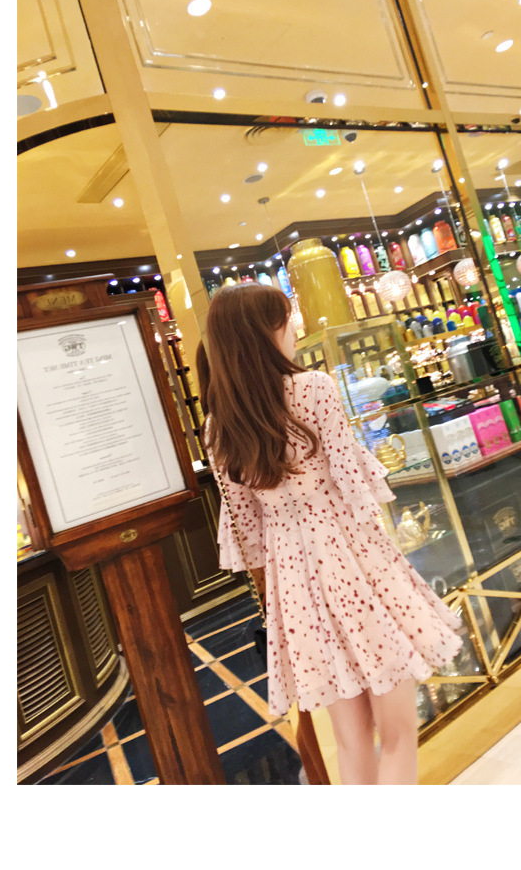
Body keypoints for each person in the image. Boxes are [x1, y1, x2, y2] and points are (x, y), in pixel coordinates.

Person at [196, 283, 463, 785]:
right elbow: (352, 483)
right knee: (398, 732)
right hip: (351, 558)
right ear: (263, 332)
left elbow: (246, 530)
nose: (293, 330)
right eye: (285, 320)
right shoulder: (313, 387)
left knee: (350, 741)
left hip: (292, 580)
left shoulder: (217, 426)